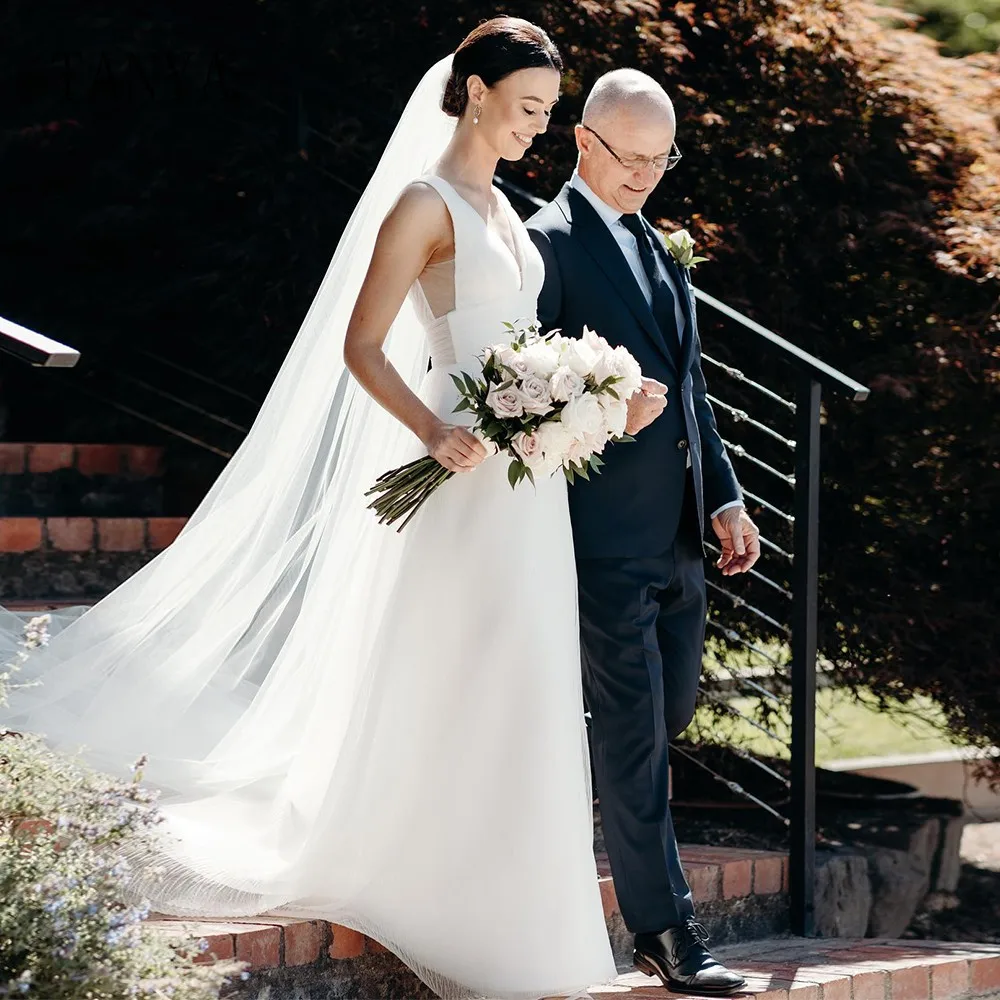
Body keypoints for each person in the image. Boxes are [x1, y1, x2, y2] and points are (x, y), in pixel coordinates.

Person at [0, 19, 620, 1000]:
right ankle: (425, 865)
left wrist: (575, 393)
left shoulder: (505, 211)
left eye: (549, 114)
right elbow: (364, 344)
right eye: (526, 107)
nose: (536, 129)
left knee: (526, 671)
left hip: (524, 483)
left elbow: (517, 342)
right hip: (457, 473)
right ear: (470, 92)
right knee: (458, 663)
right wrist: (431, 430)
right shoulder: (424, 205)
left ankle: (520, 901)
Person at [527, 69, 761, 996]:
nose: (649, 176)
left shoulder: (661, 249)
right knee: (633, 740)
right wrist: (605, 416)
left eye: (664, 159)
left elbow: (690, 385)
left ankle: (534, 780)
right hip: (597, 540)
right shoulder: (545, 244)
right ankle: (668, 937)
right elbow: (523, 397)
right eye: (633, 157)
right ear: (584, 141)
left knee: (665, 719)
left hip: (677, 538)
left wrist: (726, 496)